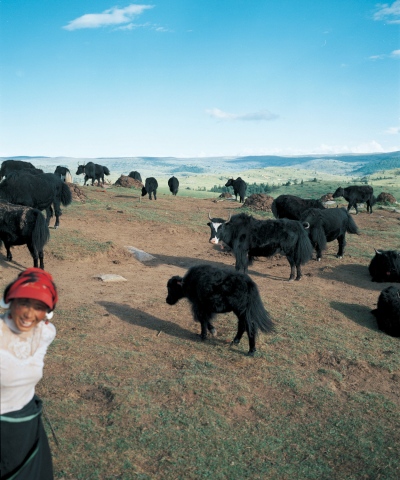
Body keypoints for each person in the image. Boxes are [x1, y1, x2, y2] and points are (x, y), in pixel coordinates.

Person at [0, 267, 58, 480]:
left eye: (39, 307)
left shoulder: (46, 333)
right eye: (23, 303)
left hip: (28, 424)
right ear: (10, 302)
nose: (28, 314)